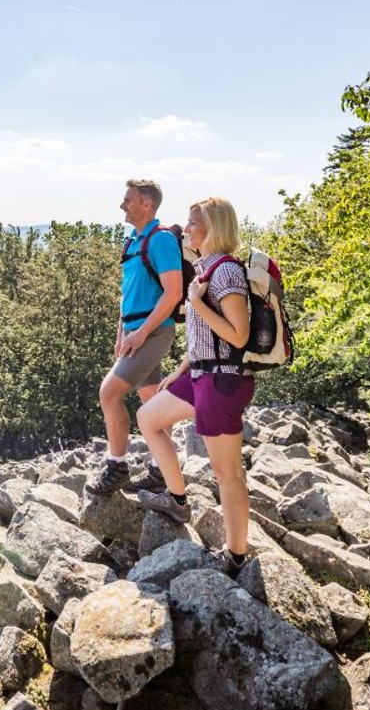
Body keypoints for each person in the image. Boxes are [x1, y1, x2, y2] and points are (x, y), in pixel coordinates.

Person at [133, 196, 256, 574]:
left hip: (222, 381)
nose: (185, 228)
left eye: (192, 223)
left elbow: (238, 336)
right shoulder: (205, 270)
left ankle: (236, 556)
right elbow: (206, 335)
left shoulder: (227, 272)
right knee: (148, 418)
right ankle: (177, 499)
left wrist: (197, 303)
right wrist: (181, 369)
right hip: (199, 373)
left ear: (213, 228)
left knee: (227, 474)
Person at [85, 179, 184, 496]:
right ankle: (160, 471)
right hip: (135, 331)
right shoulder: (132, 240)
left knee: (109, 393)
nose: (121, 205)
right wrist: (122, 333)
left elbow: (173, 293)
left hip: (153, 332)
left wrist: (141, 334)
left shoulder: (161, 239)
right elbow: (127, 294)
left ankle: (116, 466)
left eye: (127, 200)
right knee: (153, 400)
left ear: (146, 204)